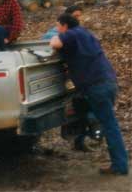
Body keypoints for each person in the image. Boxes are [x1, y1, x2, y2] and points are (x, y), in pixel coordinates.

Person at [50, 13, 129, 175]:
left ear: (64, 26)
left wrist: (54, 37)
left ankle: (120, 166)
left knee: (109, 125)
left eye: (58, 26)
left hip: (96, 86)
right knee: (82, 109)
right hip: (107, 82)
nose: (57, 29)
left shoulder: (71, 34)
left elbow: (55, 43)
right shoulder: (85, 33)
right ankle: (81, 141)